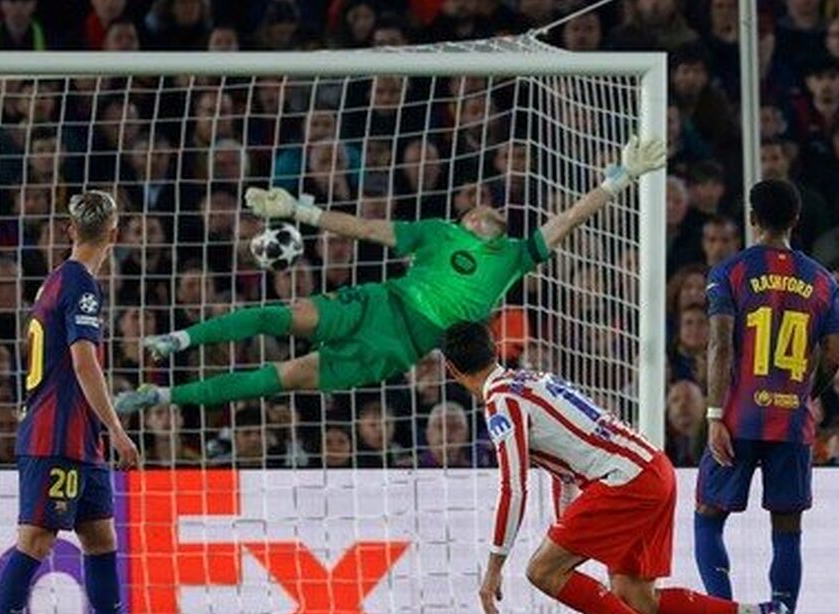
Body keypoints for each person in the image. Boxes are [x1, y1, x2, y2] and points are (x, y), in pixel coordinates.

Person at [117, 137, 666, 412]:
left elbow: (566, 220)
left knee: (280, 378)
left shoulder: (517, 254)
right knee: (282, 314)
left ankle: (162, 398)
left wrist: (618, 179)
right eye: (476, 205)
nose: (486, 208)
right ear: (466, 218)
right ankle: (178, 338)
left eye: (492, 206)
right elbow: (369, 229)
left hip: (400, 347)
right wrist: (299, 213)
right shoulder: (437, 232)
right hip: (380, 303)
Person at [441, 321, 785, 614]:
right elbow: (567, 472)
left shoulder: (501, 401)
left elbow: (513, 486)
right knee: (637, 601)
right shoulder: (528, 381)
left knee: (542, 571)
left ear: (451, 369)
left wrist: (494, 566)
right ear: (495, 349)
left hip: (627, 480)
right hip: (652, 469)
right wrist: (570, 528)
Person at [0, 192, 158, 614]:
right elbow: (85, 362)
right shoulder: (81, 285)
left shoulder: (56, 282)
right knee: (36, 540)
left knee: (101, 538)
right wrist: (119, 430)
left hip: (77, 438)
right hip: (57, 436)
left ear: (69, 230)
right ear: (114, 233)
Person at [698, 179, 839, 614]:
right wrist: (804, 393)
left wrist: (716, 413)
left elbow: (720, 345)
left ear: (752, 217)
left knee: (707, 516)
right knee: (788, 530)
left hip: (738, 419)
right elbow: (833, 357)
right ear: (796, 220)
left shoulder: (731, 272)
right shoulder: (823, 280)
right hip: (791, 422)